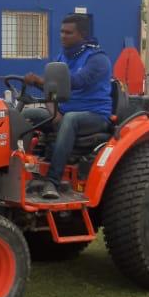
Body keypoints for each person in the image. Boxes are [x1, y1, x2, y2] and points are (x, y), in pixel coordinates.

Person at [22, 14, 113, 200]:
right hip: (63, 112)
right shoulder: (61, 57)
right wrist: (52, 110)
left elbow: (77, 82)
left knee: (70, 119)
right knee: (26, 114)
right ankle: (23, 171)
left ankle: (52, 181)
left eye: (68, 32)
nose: (63, 36)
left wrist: (41, 80)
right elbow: (52, 90)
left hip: (94, 116)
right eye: (62, 32)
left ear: (82, 34)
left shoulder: (97, 59)